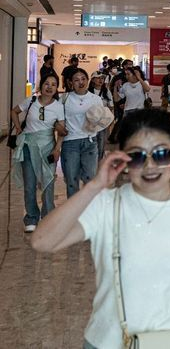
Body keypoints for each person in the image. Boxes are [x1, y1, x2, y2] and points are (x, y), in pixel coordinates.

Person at [31, 109, 170, 349]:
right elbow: (42, 241)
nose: (150, 166)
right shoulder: (107, 205)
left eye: (161, 154)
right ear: (123, 160)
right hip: (108, 341)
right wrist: (95, 186)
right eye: (137, 157)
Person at [10, 74, 66, 232]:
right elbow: (14, 112)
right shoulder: (31, 101)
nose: (49, 87)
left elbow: (61, 130)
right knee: (30, 184)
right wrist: (18, 128)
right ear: (41, 85)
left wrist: (57, 149)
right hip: (28, 146)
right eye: (47, 83)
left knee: (48, 183)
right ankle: (31, 218)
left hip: (48, 147)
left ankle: (48, 217)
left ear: (56, 88)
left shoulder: (58, 106)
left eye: (53, 84)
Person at [61, 69, 104, 197]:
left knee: (90, 179)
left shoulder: (96, 99)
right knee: (71, 180)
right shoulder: (64, 98)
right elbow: (57, 119)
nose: (81, 82)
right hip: (70, 142)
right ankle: (73, 207)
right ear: (70, 83)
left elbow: (102, 121)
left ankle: (88, 207)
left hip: (90, 142)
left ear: (88, 80)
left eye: (83, 79)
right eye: (76, 80)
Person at [90, 71, 114, 162]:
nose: (101, 80)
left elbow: (111, 106)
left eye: (102, 78)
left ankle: (99, 161)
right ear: (93, 80)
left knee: (101, 142)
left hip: (103, 122)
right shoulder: (88, 92)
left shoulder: (106, 91)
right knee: (92, 142)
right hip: (91, 122)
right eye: (98, 78)